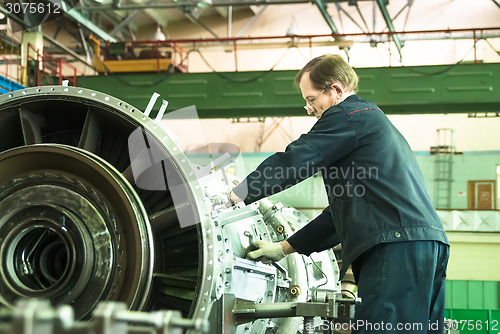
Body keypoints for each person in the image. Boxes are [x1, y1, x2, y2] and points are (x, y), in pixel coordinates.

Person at [229, 54, 450, 333]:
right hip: (426, 244)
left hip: (394, 247)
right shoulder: (370, 126)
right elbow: (341, 213)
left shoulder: (348, 116)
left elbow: (296, 161)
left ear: (335, 90)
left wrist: (236, 194)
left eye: (311, 99)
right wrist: (282, 248)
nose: (309, 108)